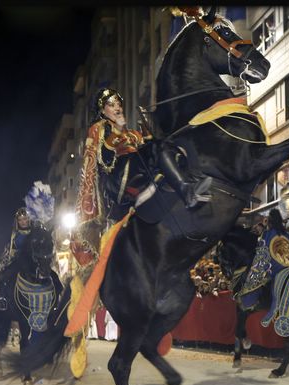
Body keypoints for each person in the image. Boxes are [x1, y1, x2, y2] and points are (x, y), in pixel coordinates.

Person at [71, 88, 211, 276]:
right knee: (156, 150)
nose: (117, 108)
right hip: (118, 181)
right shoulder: (100, 127)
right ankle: (186, 190)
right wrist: (120, 131)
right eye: (111, 105)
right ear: (103, 111)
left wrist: (148, 129)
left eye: (119, 104)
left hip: (138, 172)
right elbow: (104, 160)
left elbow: (151, 146)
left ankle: (186, 191)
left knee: (167, 149)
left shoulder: (133, 133)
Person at [0, 208, 37, 310]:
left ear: (29, 219)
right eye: (20, 220)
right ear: (17, 221)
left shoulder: (36, 232)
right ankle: (1, 298)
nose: (23, 222)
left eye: (25, 219)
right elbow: (9, 250)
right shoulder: (14, 236)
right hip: (18, 262)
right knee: (4, 276)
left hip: (35, 261)